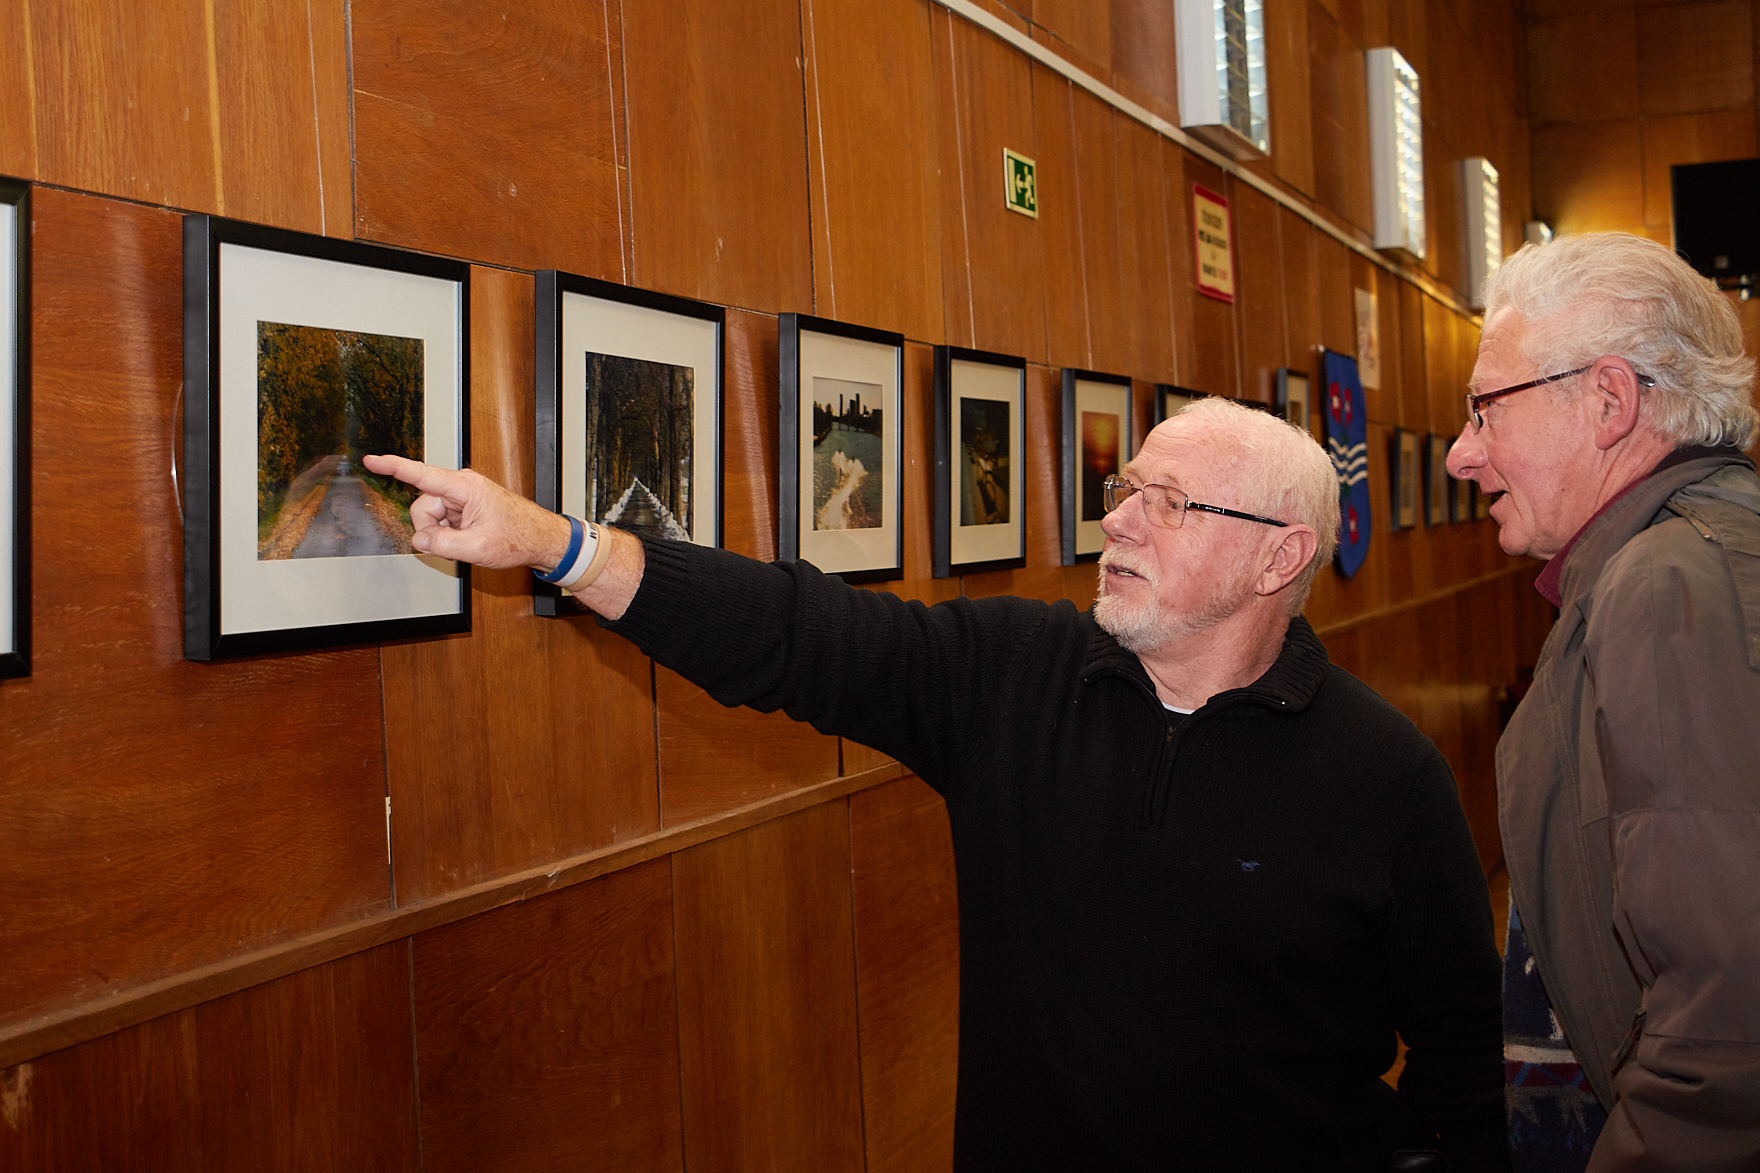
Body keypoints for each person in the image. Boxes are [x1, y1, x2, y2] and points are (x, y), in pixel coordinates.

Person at [366, 395, 1507, 1170]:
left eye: (1171, 503)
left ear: (1279, 556)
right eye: (1126, 488)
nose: (1118, 520)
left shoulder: (1387, 779)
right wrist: (557, 545)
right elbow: (795, 635)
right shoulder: (1012, 678)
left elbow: (1462, 1065)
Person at [1445, 232, 1760, 1171]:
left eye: (1485, 410)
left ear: (1610, 402)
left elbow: (1727, 1021)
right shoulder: (1686, 552)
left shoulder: (1669, 581)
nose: (1462, 455)